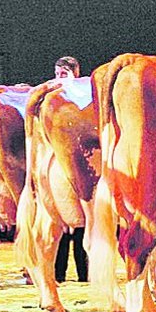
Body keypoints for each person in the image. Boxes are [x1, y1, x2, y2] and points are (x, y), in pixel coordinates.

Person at [51, 55, 89, 283]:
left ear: (75, 72)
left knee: (83, 225)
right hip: (58, 164)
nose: (59, 78)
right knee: (61, 226)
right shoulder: (52, 96)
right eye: (57, 74)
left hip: (82, 163)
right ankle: (58, 275)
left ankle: (86, 275)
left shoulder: (84, 92)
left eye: (63, 74)